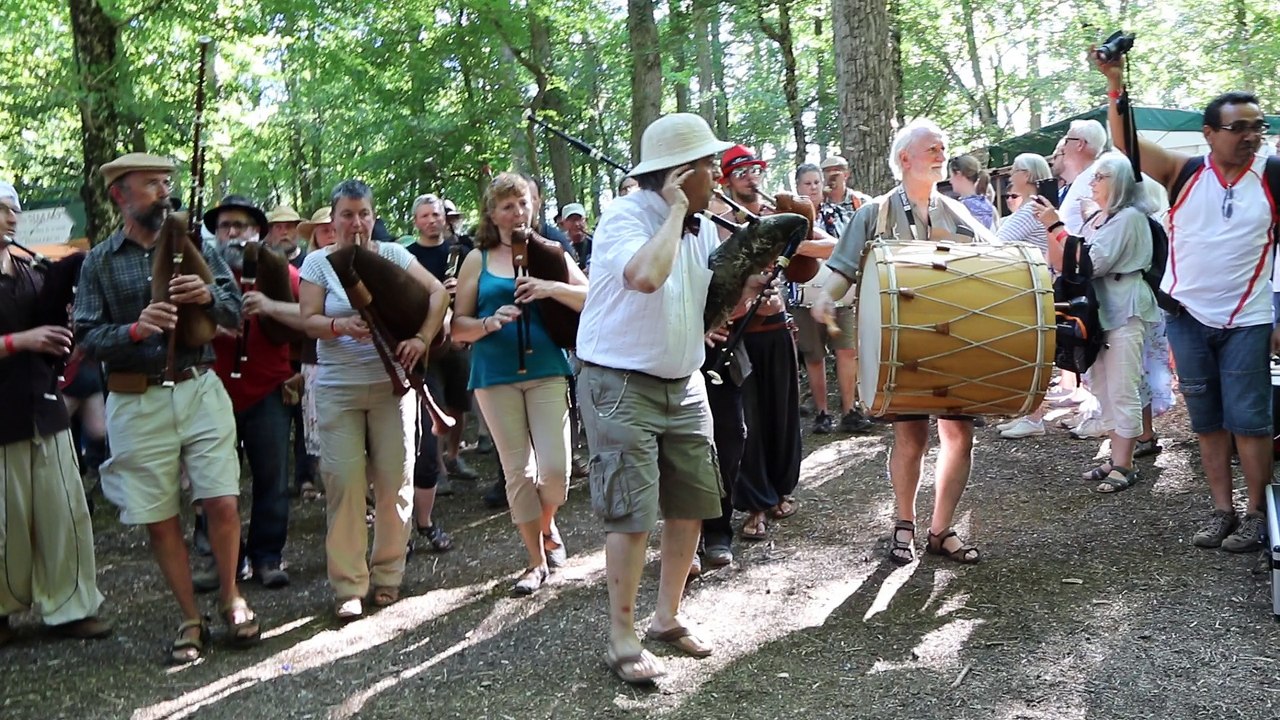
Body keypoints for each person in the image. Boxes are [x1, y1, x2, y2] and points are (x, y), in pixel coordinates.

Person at [577, 113, 745, 684]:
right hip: (620, 382)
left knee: (693, 503)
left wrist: (740, 292)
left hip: (685, 381)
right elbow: (646, 278)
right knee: (631, 514)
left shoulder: (701, 227)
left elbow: (694, 303)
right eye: (708, 166)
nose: (718, 177)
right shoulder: (625, 218)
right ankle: (621, 639)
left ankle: (666, 618)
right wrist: (674, 210)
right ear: (678, 175)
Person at [76, 153, 259, 663]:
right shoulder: (99, 261)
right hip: (136, 398)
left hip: (200, 386)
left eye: (166, 183)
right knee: (159, 517)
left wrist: (206, 293)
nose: (164, 192)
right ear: (120, 195)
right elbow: (87, 337)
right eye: (151, 185)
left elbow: (235, 311)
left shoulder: (194, 245)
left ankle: (231, 597)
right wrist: (134, 330)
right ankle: (190, 617)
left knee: (221, 500)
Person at [1094, 53, 1278, 551]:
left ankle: (1259, 514)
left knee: (1251, 422)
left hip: (1248, 320)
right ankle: (1222, 511)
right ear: (1209, 133)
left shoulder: (1273, 176)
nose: (1249, 135)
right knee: (1208, 421)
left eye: (1256, 126)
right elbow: (1126, 144)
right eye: (1237, 127)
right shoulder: (1185, 172)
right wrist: (1116, 84)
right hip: (1187, 319)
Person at [814, 119, 996, 566]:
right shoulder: (873, 213)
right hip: (900, 346)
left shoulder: (955, 212)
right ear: (904, 159)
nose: (941, 153)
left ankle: (941, 530)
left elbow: (998, 260)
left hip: (953, 341)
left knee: (959, 437)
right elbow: (842, 269)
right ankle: (904, 524)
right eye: (931, 147)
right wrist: (822, 300)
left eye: (943, 147)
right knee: (911, 436)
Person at [299, 180, 448, 619]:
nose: (356, 222)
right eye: (347, 214)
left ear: (372, 216)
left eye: (363, 213)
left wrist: (421, 339)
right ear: (333, 219)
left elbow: (438, 294)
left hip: (392, 388)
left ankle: (388, 575)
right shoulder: (317, 263)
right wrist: (337, 327)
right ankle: (348, 585)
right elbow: (307, 320)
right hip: (338, 389)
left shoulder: (394, 256)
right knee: (343, 483)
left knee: (394, 481)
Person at [451, 172, 587, 595]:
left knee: (555, 469)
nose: (517, 212)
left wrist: (550, 287)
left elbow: (593, 298)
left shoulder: (551, 250)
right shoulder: (477, 258)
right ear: (492, 214)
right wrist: (489, 322)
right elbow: (458, 327)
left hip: (546, 367)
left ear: (535, 206)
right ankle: (535, 560)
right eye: (507, 206)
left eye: (523, 203)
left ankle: (546, 525)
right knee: (517, 471)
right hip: (495, 375)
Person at [0, 181, 111, 646]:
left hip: (43, 407)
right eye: (0, 210)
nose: (10, 218)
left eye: (12, 210)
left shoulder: (29, 269)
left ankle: (71, 606)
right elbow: (24, 338)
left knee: (63, 513)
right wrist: (19, 342)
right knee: (3, 521)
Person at [1035, 157, 1159, 491]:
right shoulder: (1100, 219)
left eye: (1100, 177)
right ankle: (1117, 458)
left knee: (1122, 386)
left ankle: (1125, 464)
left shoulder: (1130, 218)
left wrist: (1056, 227)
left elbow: (1092, 263)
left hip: (1125, 307)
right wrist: (1052, 229)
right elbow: (1064, 262)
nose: (1092, 183)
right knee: (1103, 385)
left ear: (1118, 182)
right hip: (1103, 309)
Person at [207, 195, 306, 587]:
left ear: (257, 233)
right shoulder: (201, 270)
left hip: (268, 387)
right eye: (225, 226)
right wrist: (212, 326)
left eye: (242, 226)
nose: (232, 233)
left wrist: (268, 306)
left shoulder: (280, 271)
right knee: (213, 482)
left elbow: (311, 317)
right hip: (212, 391)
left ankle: (267, 557)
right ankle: (223, 562)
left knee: (272, 478)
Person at [712, 144, 803, 543]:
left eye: (755, 170)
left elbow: (823, 248)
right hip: (739, 333)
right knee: (746, 421)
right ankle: (754, 504)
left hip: (778, 329)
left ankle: (781, 489)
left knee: (780, 415)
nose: (751, 178)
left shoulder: (778, 215)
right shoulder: (718, 223)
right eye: (742, 172)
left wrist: (799, 217)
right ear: (727, 180)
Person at [403, 192, 467, 551]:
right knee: (426, 433)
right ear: (416, 221)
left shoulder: (461, 253)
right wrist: (435, 296)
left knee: (458, 409)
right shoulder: (406, 256)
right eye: (425, 215)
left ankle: (452, 460)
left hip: (458, 345)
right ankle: (414, 524)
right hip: (424, 352)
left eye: (437, 214)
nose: (432, 220)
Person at [791, 162, 867, 435]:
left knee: (847, 350)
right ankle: (822, 413)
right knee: (813, 355)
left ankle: (850, 411)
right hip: (802, 297)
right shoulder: (790, 217)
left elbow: (842, 248)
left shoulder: (837, 213)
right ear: (797, 187)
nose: (812, 188)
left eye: (816, 182)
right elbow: (791, 252)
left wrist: (807, 247)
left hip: (842, 295)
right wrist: (816, 248)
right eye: (806, 183)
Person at [948, 154, 997, 230]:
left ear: (958, 174)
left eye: (951, 176)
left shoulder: (959, 208)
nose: (950, 181)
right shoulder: (990, 207)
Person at [557, 202, 592, 271]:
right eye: (572, 220)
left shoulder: (595, 243)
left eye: (579, 219)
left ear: (586, 221)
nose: (576, 224)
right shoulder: (560, 247)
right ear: (563, 224)